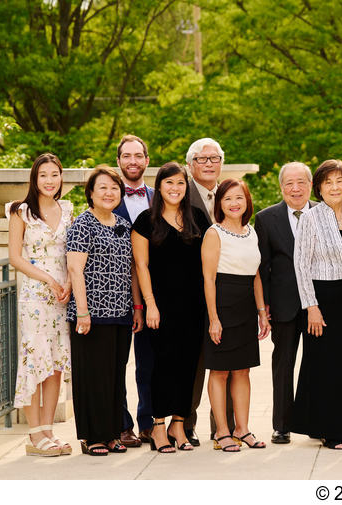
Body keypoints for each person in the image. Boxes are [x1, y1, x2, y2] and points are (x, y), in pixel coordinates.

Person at [131, 162, 210, 452]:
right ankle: (159, 427)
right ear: (159, 187)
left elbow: (209, 263)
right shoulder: (145, 221)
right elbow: (141, 265)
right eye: (169, 183)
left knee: (188, 365)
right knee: (161, 366)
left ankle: (179, 424)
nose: (175, 189)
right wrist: (149, 304)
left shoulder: (198, 218)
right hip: (160, 306)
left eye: (180, 183)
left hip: (193, 305)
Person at [66, 166, 144, 456]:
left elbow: (132, 270)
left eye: (114, 188)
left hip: (121, 312)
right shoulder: (82, 224)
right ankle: (92, 437)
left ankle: (112, 433)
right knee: (92, 376)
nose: (109, 193)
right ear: (91, 193)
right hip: (91, 314)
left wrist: (136, 307)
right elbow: (75, 269)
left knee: (113, 376)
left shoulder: (123, 224)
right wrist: (83, 312)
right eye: (103, 188)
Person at [292, 160, 342, 450]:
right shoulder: (309, 217)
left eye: (340, 181)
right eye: (328, 182)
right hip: (322, 297)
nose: (335, 187)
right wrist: (311, 306)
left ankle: (341, 426)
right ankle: (327, 429)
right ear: (318, 188)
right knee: (323, 365)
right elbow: (300, 264)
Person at [6, 153, 73, 456]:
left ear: (61, 178)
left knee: (56, 363)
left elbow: (73, 254)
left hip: (62, 296)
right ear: (34, 178)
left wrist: (69, 285)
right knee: (35, 360)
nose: (49, 180)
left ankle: (48, 430)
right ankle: (34, 434)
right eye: (43, 175)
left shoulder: (68, 209)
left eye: (54, 174)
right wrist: (47, 278)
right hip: (35, 294)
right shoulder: (21, 211)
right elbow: (15, 257)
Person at [200, 178, 271, 452]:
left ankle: (243, 429)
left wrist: (262, 312)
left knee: (243, 370)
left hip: (245, 307)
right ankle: (222, 431)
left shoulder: (251, 232)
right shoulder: (213, 233)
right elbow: (208, 279)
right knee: (219, 371)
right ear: (220, 203)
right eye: (228, 198)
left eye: (239, 198)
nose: (234, 203)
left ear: (247, 201)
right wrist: (214, 318)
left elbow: (255, 276)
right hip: (221, 303)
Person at [254, 162, 316, 444]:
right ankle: (281, 424)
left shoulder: (325, 212)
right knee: (283, 365)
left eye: (301, 182)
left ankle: (318, 422)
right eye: (289, 183)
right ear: (281, 187)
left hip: (318, 304)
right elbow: (263, 266)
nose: (295, 188)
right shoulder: (266, 219)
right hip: (284, 304)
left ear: (311, 185)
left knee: (318, 364)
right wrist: (264, 306)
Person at [184, 137, 227, 446]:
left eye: (214, 159)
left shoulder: (229, 196)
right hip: (191, 293)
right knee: (193, 363)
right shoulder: (180, 196)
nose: (209, 164)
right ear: (190, 165)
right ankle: (185, 424)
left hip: (228, 292)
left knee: (225, 361)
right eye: (202, 159)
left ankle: (223, 426)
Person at [113, 134, 153, 447]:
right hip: (114, 294)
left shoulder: (160, 196)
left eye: (138, 155)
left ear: (147, 160)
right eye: (127, 156)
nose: (133, 161)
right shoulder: (108, 198)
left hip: (151, 294)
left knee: (148, 363)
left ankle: (149, 422)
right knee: (115, 364)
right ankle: (121, 425)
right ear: (119, 161)